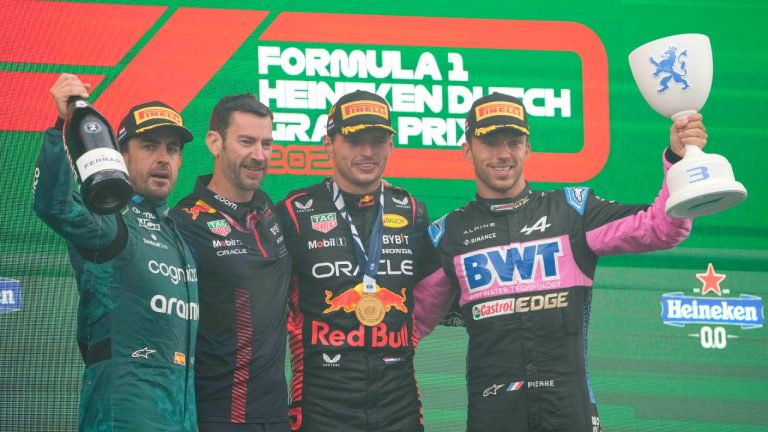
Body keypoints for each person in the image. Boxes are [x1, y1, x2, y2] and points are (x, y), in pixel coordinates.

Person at [414, 93, 705, 432]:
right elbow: (407, 326)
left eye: (514, 142)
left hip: (568, 412)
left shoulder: (572, 212)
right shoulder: (448, 234)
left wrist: (678, 160)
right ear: (468, 150)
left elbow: (662, 227)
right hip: (494, 415)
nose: (503, 153)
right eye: (490, 143)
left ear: (528, 148)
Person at [33, 73, 198, 431]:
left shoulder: (177, 234)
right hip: (121, 415)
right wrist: (62, 125)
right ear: (121, 155)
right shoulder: (109, 218)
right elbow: (54, 205)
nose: (164, 158)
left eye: (172, 149)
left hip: (180, 417)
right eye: (149, 146)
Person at [276, 90, 437, 432]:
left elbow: (434, 291)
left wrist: (409, 334)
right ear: (328, 144)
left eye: (377, 141)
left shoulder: (411, 210)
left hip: (399, 403)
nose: (367, 152)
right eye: (353, 141)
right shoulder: (294, 212)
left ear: (390, 145)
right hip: (322, 401)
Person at [171, 94, 291, 432]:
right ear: (215, 142)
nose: (259, 155)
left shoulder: (267, 208)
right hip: (218, 415)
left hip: (276, 413)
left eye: (266, 144)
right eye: (246, 142)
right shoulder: (184, 222)